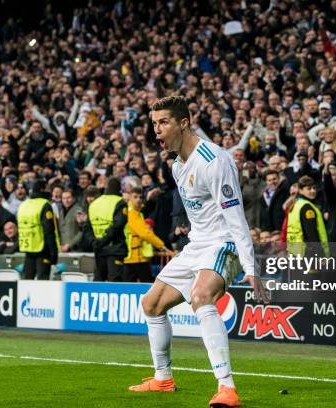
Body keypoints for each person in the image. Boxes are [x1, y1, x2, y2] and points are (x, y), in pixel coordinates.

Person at [129, 96, 267, 407]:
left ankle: (227, 388)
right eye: (154, 124)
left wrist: (251, 267)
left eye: (163, 122)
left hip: (224, 241)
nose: (157, 130)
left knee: (201, 296)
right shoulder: (178, 165)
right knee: (151, 304)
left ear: (184, 123)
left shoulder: (214, 161)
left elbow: (236, 219)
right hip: (198, 245)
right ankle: (163, 378)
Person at [124, 187, 174, 282]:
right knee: (146, 287)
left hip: (134, 257)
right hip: (137, 258)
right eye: (135, 197)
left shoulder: (138, 212)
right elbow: (145, 234)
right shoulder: (133, 214)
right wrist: (162, 246)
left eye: (140, 197)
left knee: (130, 288)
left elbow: (146, 208)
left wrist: (150, 199)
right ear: (130, 198)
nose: (138, 199)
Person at [17, 180, 60, 280]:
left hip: (28, 247)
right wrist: (53, 252)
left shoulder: (24, 204)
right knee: (42, 281)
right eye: (48, 188)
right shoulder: (44, 205)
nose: (50, 191)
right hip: (43, 248)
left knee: (27, 280)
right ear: (42, 189)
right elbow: (49, 231)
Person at [89, 177, 128, 281]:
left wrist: (95, 242)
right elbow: (118, 225)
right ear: (119, 188)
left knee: (98, 281)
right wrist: (104, 241)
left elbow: (87, 228)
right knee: (115, 282)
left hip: (98, 248)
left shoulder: (94, 203)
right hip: (114, 248)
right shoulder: (120, 202)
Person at [286, 175, 329, 258]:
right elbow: (311, 234)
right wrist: (320, 255)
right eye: (309, 189)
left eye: (314, 188)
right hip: (309, 253)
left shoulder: (295, 204)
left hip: (295, 251)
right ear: (301, 190)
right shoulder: (307, 207)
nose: (313, 191)